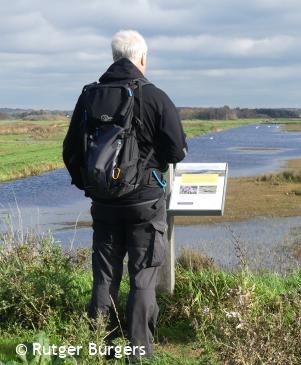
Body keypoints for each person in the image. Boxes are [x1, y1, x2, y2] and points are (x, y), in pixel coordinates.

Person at [62, 30, 187, 358]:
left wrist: (90, 186)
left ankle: (98, 348)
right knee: (143, 276)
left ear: (115, 56)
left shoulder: (89, 95)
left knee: (104, 276)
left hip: (103, 204)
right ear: (142, 58)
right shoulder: (154, 96)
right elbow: (176, 150)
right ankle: (139, 352)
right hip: (145, 203)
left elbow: (71, 151)